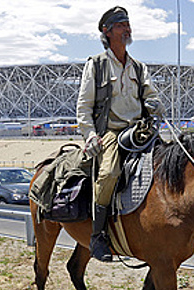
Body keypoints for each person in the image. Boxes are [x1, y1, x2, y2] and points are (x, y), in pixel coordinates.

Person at [77, 6, 164, 262]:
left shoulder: (138, 67)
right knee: (109, 174)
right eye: (120, 25)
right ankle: (98, 235)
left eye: (128, 24)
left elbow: (150, 95)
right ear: (107, 31)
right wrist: (90, 136)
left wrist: (155, 104)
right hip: (112, 132)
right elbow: (84, 106)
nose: (127, 29)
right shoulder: (96, 65)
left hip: (140, 130)